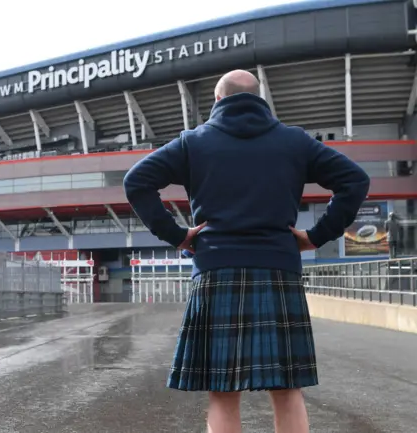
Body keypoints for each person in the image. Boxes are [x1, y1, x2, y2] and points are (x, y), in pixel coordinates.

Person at [123, 70, 370, 433]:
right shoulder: (294, 141)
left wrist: (177, 235)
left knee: (223, 392)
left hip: (216, 270)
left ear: (218, 101)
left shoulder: (194, 141)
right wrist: (316, 236)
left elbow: (136, 181)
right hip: (279, 270)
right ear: (260, 99)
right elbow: (355, 180)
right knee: (287, 390)